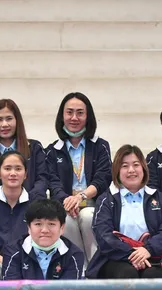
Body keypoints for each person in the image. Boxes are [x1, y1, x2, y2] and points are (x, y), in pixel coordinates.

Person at [87, 145, 162, 290]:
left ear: (143, 168)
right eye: (125, 166)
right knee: (126, 272)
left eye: (136, 165)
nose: (131, 170)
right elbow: (103, 235)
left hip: (152, 256)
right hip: (116, 258)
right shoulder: (106, 199)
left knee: (153, 274)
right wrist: (132, 254)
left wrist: (148, 250)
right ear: (117, 171)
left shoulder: (159, 198)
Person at [46, 92, 112, 265]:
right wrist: (68, 201)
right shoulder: (52, 150)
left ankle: (96, 266)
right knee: (65, 220)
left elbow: (103, 178)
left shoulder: (100, 146)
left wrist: (81, 197)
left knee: (89, 216)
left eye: (80, 113)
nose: (74, 118)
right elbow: (53, 183)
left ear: (88, 116)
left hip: (93, 203)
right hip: (66, 205)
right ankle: (79, 268)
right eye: (69, 112)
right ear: (62, 116)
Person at [0, 151, 39, 277]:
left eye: (18, 169)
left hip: (29, 263)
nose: (13, 173)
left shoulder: (37, 203)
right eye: (7, 168)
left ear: (25, 174)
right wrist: (7, 262)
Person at [0, 99, 49, 198]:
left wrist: (26, 200)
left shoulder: (34, 148)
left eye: (9, 118)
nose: (4, 124)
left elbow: (42, 179)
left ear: (17, 120)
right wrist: (4, 202)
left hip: (32, 204)